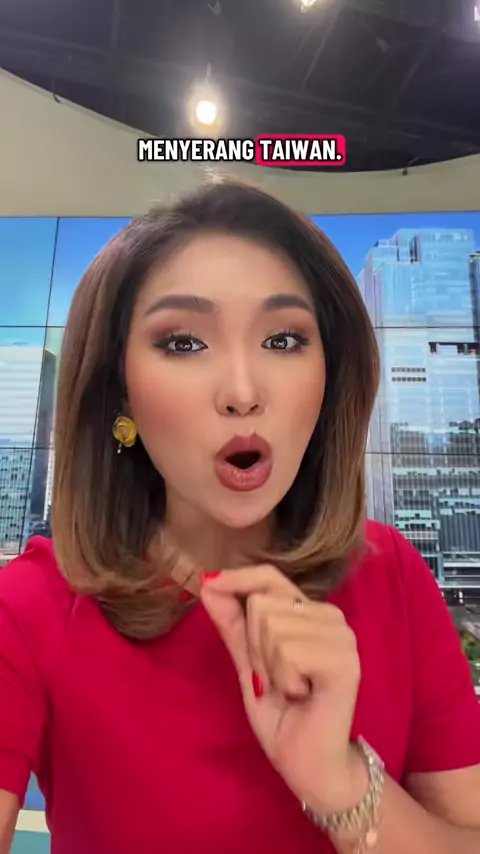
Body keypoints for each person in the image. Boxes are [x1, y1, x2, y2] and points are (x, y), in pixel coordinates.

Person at [0, 181, 479, 854]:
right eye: (183, 343)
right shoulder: (32, 606)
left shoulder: (391, 575)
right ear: (119, 392)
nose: (243, 393)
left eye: (283, 339)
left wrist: (340, 782)